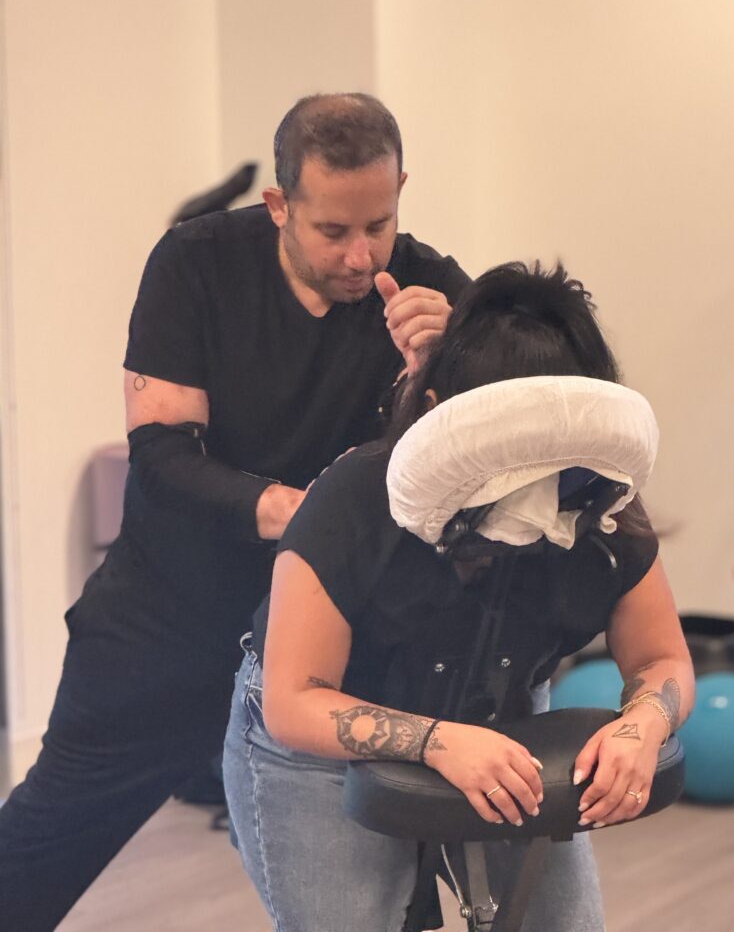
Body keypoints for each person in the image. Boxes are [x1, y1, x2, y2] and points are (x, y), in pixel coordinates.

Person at [0, 93, 470, 931]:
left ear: (401, 188)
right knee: (42, 848)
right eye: (334, 232)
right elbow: (164, 458)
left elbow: (482, 459)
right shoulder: (195, 264)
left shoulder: (431, 287)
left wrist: (450, 366)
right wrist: (307, 514)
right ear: (280, 205)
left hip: (323, 641)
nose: (363, 257)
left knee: (384, 892)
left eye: (381, 224)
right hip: (166, 614)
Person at [223, 262, 696, 932]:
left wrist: (641, 724)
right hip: (322, 740)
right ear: (439, 410)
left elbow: (661, 660)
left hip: (499, 720)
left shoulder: (603, 513)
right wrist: (437, 741)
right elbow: (295, 701)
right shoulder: (353, 498)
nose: (536, 496)